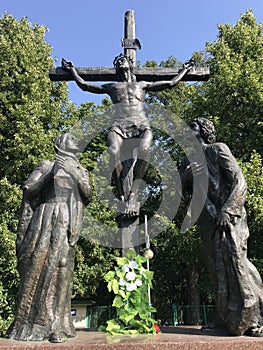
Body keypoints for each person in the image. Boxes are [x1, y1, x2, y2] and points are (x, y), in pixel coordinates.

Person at [62, 55, 193, 214]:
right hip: (119, 126)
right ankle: (121, 193)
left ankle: (134, 191)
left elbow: (170, 83)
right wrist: (72, 71)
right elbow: (85, 86)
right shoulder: (112, 87)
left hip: (141, 125)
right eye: (116, 62)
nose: (119, 63)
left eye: (121, 60)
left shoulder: (142, 85)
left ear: (130, 64)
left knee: (145, 150)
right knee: (113, 151)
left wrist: (184, 70)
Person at [180, 118, 263, 336]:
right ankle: (224, 318)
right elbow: (183, 197)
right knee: (216, 269)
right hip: (207, 221)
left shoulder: (218, 150)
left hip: (230, 216)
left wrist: (228, 210)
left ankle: (252, 318)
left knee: (237, 263)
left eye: (194, 127)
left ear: (205, 132)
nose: (189, 132)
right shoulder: (187, 162)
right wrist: (186, 176)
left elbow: (239, 181)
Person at [7, 133, 92, 343]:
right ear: (59, 144)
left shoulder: (81, 169)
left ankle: (60, 325)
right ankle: (33, 323)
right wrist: (50, 173)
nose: (75, 141)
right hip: (46, 217)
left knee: (64, 267)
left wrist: (74, 173)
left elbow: (88, 195)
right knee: (41, 265)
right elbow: (29, 191)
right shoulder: (46, 165)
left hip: (68, 218)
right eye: (70, 138)